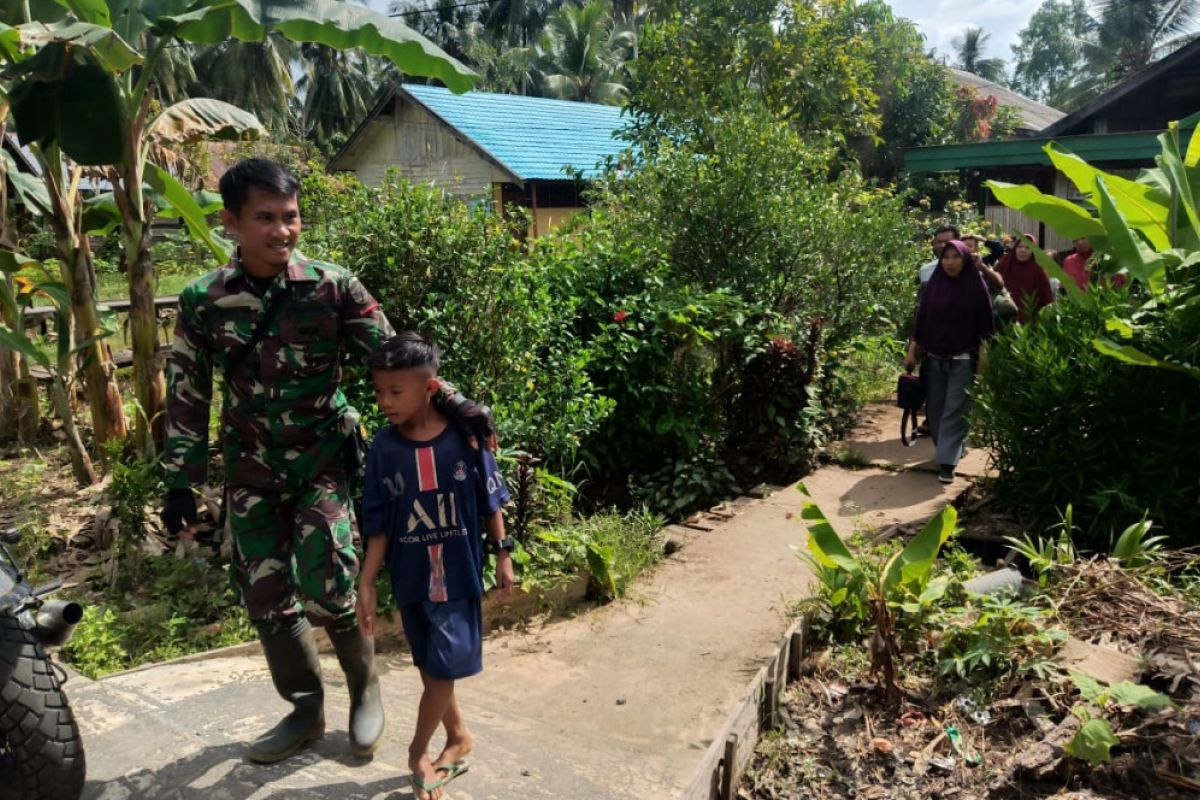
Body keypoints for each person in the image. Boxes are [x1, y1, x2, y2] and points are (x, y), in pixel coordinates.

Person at [159, 158, 492, 765]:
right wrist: (181, 483)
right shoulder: (204, 300)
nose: (282, 231)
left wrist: (452, 406)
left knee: (332, 580)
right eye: (265, 219)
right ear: (232, 221)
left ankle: (365, 692)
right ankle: (304, 708)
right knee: (264, 594)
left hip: (322, 461)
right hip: (250, 466)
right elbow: (187, 393)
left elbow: (395, 359)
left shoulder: (333, 286)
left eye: (291, 218)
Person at [356, 333, 513, 800]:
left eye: (395, 392)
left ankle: (417, 752)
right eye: (379, 391)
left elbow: (491, 500)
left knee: (443, 670)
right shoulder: (384, 448)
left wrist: (504, 553)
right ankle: (460, 737)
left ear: (429, 388)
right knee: (429, 666)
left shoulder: (465, 440)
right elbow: (378, 524)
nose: (384, 401)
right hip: (410, 578)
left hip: (459, 575)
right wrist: (367, 582)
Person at [904, 240, 995, 484]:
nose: (950, 262)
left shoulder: (976, 287)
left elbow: (986, 328)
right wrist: (911, 351)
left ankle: (947, 462)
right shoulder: (935, 285)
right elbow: (922, 321)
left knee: (955, 409)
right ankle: (950, 447)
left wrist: (982, 361)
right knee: (934, 411)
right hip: (934, 358)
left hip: (963, 358)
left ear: (965, 259)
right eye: (946, 257)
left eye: (956, 257)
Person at [995, 233, 1053, 322]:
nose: (1023, 250)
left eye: (1028, 247)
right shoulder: (1004, 265)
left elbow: (1046, 298)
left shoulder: (1038, 270)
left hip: (1030, 320)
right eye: (1020, 247)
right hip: (1004, 319)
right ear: (1015, 249)